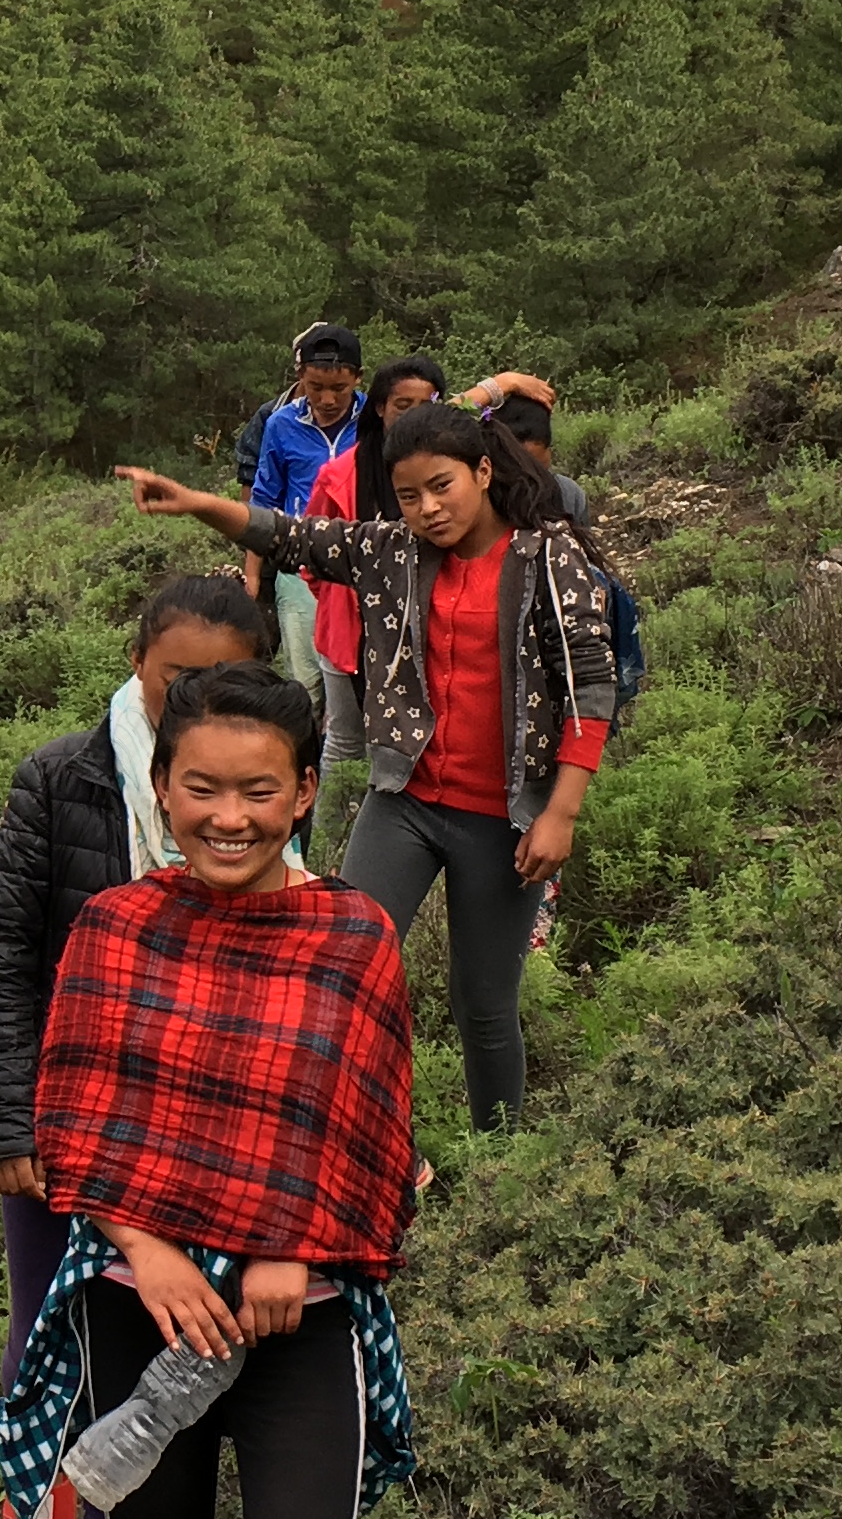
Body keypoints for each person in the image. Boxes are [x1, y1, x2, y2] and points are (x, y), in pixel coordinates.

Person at [0, 662, 418, 1519]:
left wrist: (301, 1247)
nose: (228, 817)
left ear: (305, 792)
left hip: (301, 1316)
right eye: (201, 790)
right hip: (145, 1301)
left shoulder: (354, 937)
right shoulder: (117, 929)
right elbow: (76, 1109)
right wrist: (150, 1245)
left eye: (258, 792)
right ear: (163, 790)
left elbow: (372, 1122)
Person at [118, 404, 619, 1133]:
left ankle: (500, 1157)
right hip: (404, 801)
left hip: (500, 816)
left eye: (442, 486)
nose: (428, 509)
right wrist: (198, 503)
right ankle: (344, 1134)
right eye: (409, 496)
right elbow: (291, 536)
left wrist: (560, 812)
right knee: (339, 968)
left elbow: (590, 686)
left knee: (483, 1003)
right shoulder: (392, 552)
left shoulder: (545, 557)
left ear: (483, 472)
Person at [0, 573, 279, 1519]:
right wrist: (11, 1124)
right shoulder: (62, 780)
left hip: (195, 1118)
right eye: (176, 678)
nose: (196, 700)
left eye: (225, 680)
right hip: (70, 1113)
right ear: (137, 659)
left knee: (148, 1334)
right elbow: (2, 958)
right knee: (46, 1311)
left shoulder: (262, 785)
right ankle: (39, 1486)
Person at [307, 355, 448, 866]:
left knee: (404, 743)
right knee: (345, 741)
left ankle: (396, 847)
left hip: (426, 632)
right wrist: (347, 603)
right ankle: (323, 850)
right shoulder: (339, 474)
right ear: (380, 409)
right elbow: (312, 554)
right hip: (349, 635)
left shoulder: (449, 470)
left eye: (425, 405)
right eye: (402, 405)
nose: (413, 415)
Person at [245, 323, 362, 694]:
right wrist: (252, 576)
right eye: (316, 387)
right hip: (299, 566)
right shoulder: (281, 425)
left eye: (339, 388)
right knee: (306, 680)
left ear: (358, 378)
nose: (327, 399)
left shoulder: (375, 420)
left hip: (362, 563)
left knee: (357, 674)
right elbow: (264, 499)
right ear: (300, 378)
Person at [463, 369, 591, 522]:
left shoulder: (569, 497)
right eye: (515, 468)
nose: (529, 481)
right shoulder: (479, 497)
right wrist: (504, 383)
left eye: (537, 469)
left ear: (549, 452)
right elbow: (439, 420)